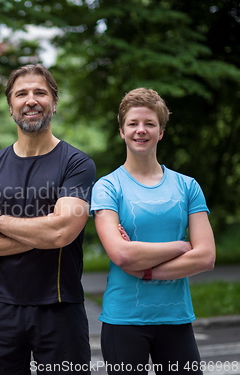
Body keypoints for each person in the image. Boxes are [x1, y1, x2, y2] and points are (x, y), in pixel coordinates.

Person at [0, 64, 96, 374]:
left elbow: (62, 233)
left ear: (54, 101)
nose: (30, 100)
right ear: (11, 105)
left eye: (40, 92)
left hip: (60, 306)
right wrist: (42, 231)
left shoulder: (77, 164)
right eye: (21, 94)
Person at [90, 88, 216, 374]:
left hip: (176, 319)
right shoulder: (108, 187)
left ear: (161, 132)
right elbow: (121, 254)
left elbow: (206, 257)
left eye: (149, 123)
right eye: (133, 123)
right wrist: (181, 247)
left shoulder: (187, 186)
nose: (141, 130)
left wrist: (146, 270)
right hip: (124, 321)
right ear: (122, 131)